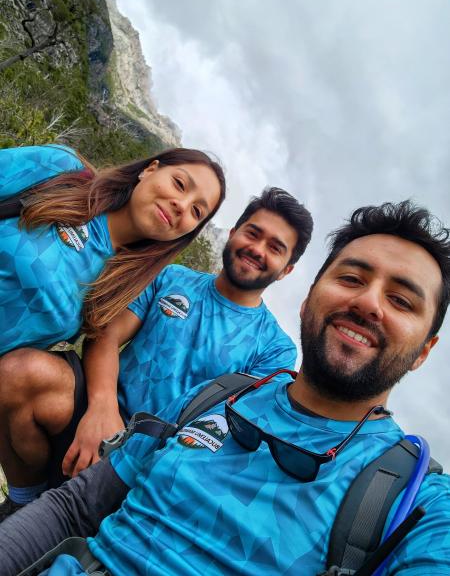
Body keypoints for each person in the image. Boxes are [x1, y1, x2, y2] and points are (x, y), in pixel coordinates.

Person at [2, 200, 449, 576]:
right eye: (351, 278)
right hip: (126, 444)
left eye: (401, 300)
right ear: (311, 294)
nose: (368, 302)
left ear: (424, 351)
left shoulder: (414, 502)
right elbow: (75, 509)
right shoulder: (221, 391)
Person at [0, 187, 313, 516]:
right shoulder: (171, 278)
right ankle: (23, 500)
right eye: (253, 233)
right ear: (234, 233)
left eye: (275, 248)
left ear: (286, 269)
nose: (257, 249)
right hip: (95, 415)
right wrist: (102, 409)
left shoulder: (276, 349)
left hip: (159, 465)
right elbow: (106, 334)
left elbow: (231, 435)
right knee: (19, 373)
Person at [0, 143, 226, 354]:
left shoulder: (123, 289)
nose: (182, 205)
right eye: (179, 184)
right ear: (149, 170)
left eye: (196, 212)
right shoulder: (62, 168)